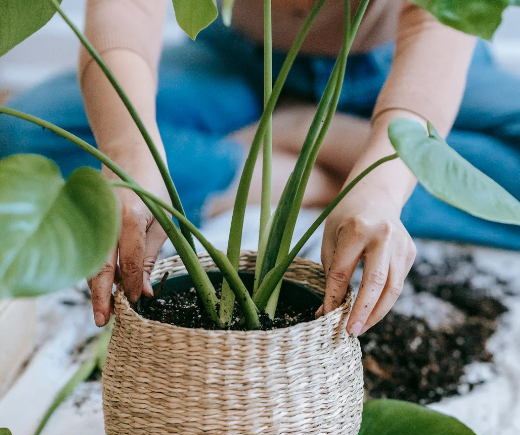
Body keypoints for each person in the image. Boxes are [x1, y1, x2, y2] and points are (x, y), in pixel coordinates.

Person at [1, 0, 519, 335]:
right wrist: (129, 153)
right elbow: (128, 8)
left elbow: (441, 19)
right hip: (240, 59)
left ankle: (313, 137)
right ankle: (312, 174)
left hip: (400, 69)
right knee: (23, 135)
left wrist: (381, 184)